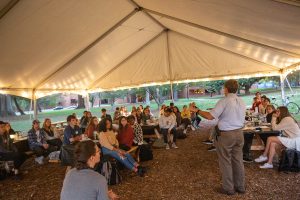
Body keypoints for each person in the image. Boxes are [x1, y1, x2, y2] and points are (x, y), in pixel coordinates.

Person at [190, 79, 246, 195]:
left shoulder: (224, 101)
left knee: (225, 161)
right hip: (239, 133)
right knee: (238, 160)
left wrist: (197, 110)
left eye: (223, 87)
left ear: (226, 88)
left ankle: (228, 188)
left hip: (226, 134)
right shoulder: (241, 101)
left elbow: (210, 116)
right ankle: (240, 187)